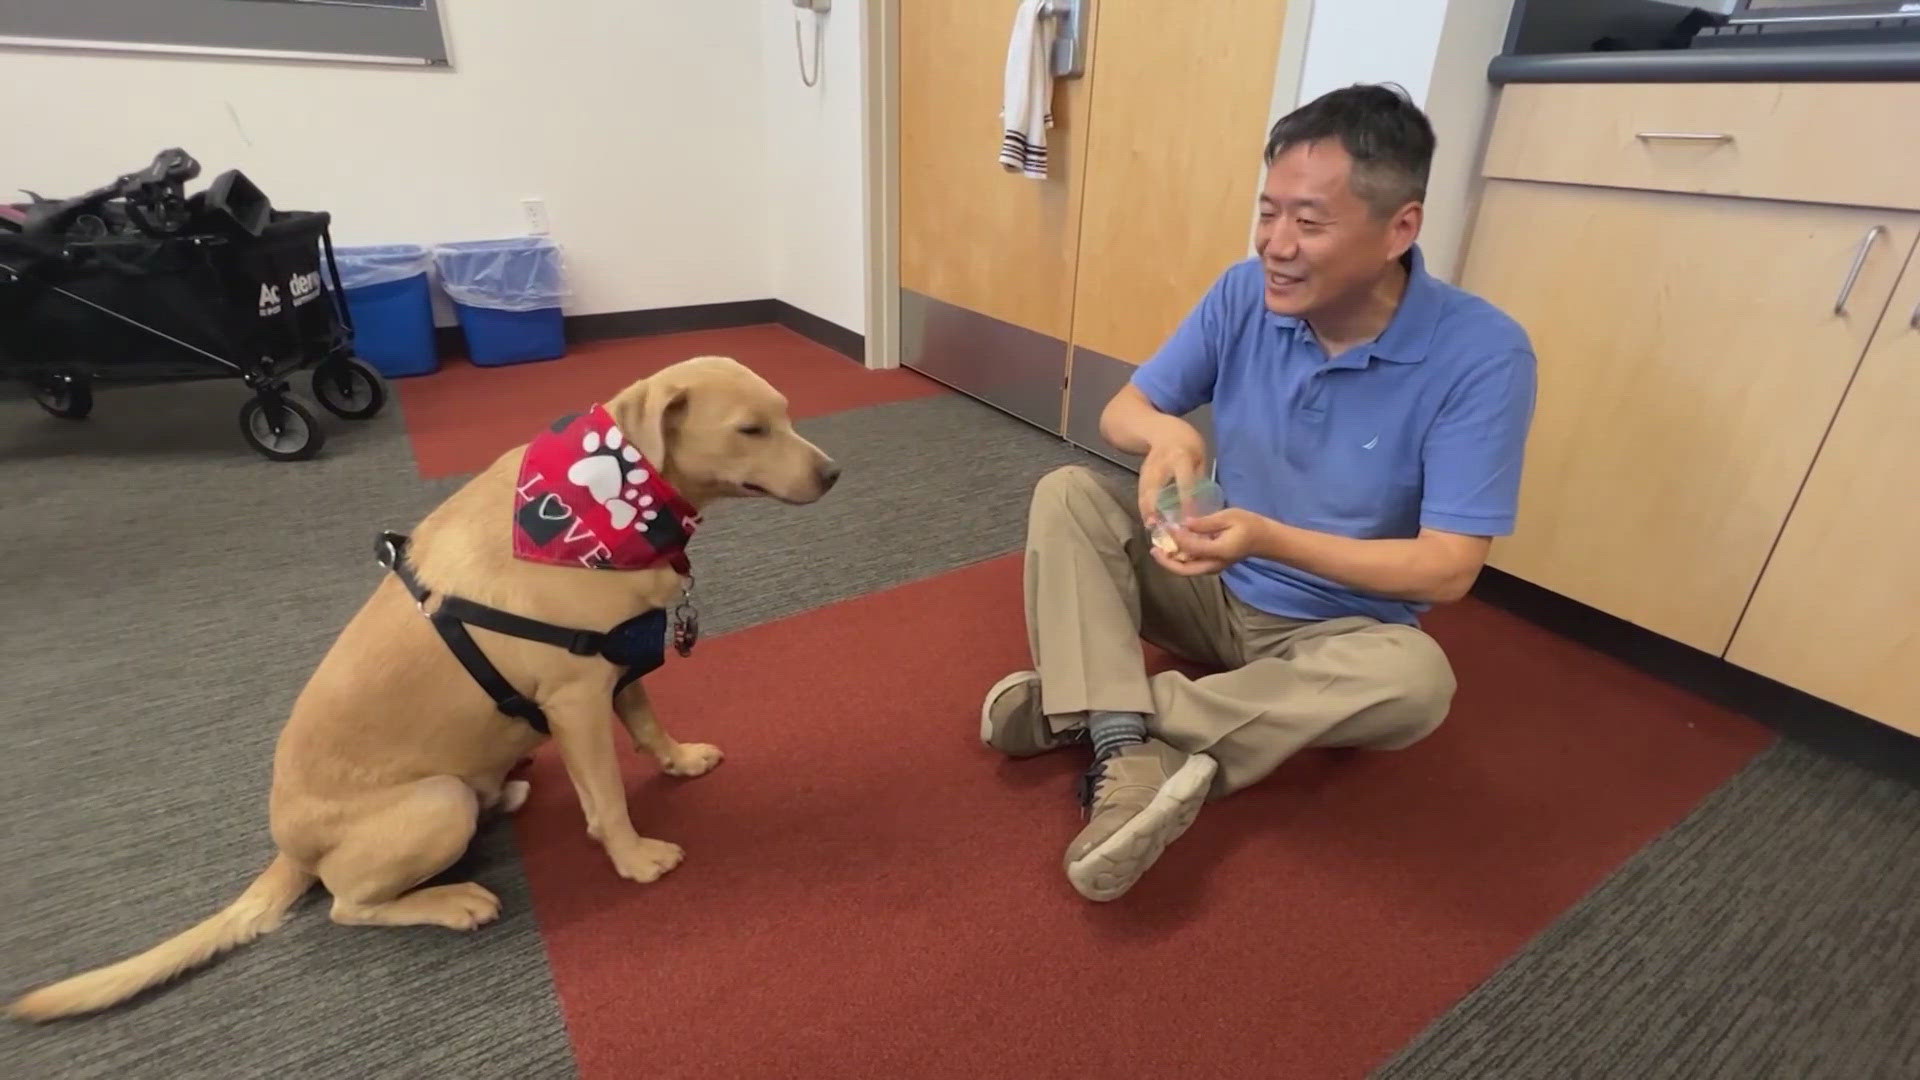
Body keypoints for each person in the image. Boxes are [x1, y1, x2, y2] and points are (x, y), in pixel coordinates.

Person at [979, 83, 1538, 902]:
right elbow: (1123, 410)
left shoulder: (1484, 354)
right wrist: (1171, 436)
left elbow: (1448, 570)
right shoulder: (1244, 292)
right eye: (1268, 212)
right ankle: (1127, 729)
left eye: (1309, 222)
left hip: (1336, 629)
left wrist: (1269, 538)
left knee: (1417, 683)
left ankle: (1108, 717)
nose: (1277, 244)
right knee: (1068, 492)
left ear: (1401, 229)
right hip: (1210, 582)